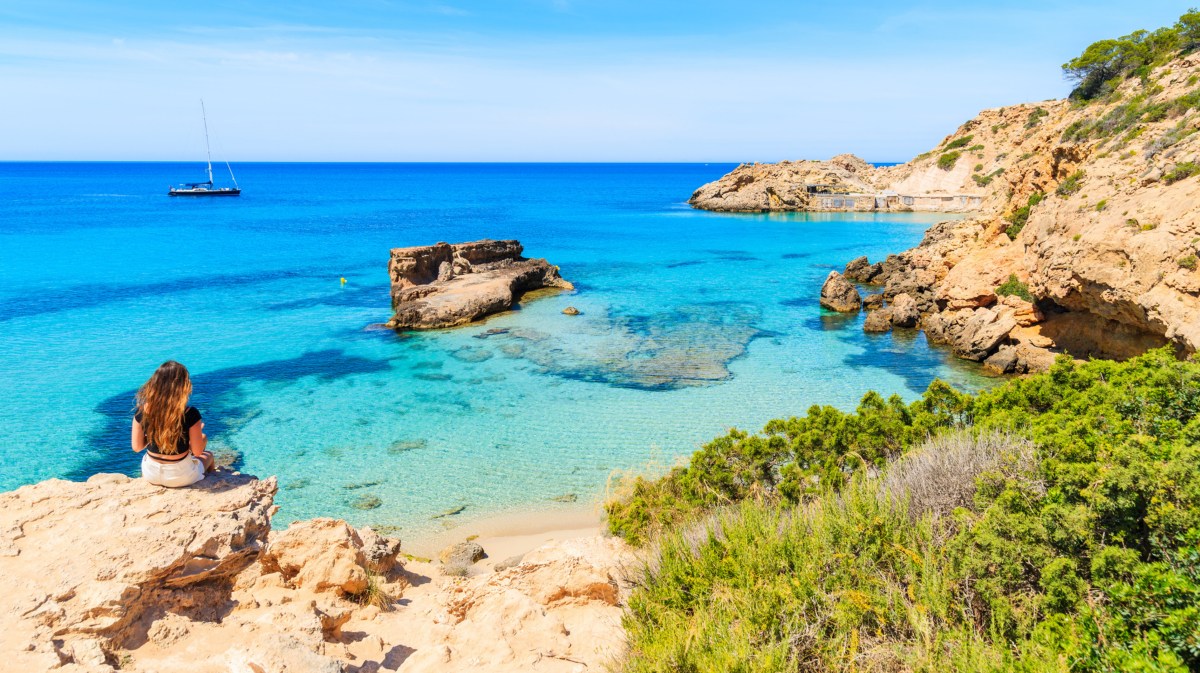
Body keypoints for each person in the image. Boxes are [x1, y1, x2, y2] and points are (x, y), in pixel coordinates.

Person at [131, 361, 214, 487]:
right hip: (181, 476)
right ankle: (212, 481)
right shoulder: (190, 413)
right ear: (182, 386)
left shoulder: (141, 411)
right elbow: (197, 452)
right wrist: (197, 435)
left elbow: (137, 447)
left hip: (150, 474)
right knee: (209, 455)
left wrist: (157, 433)